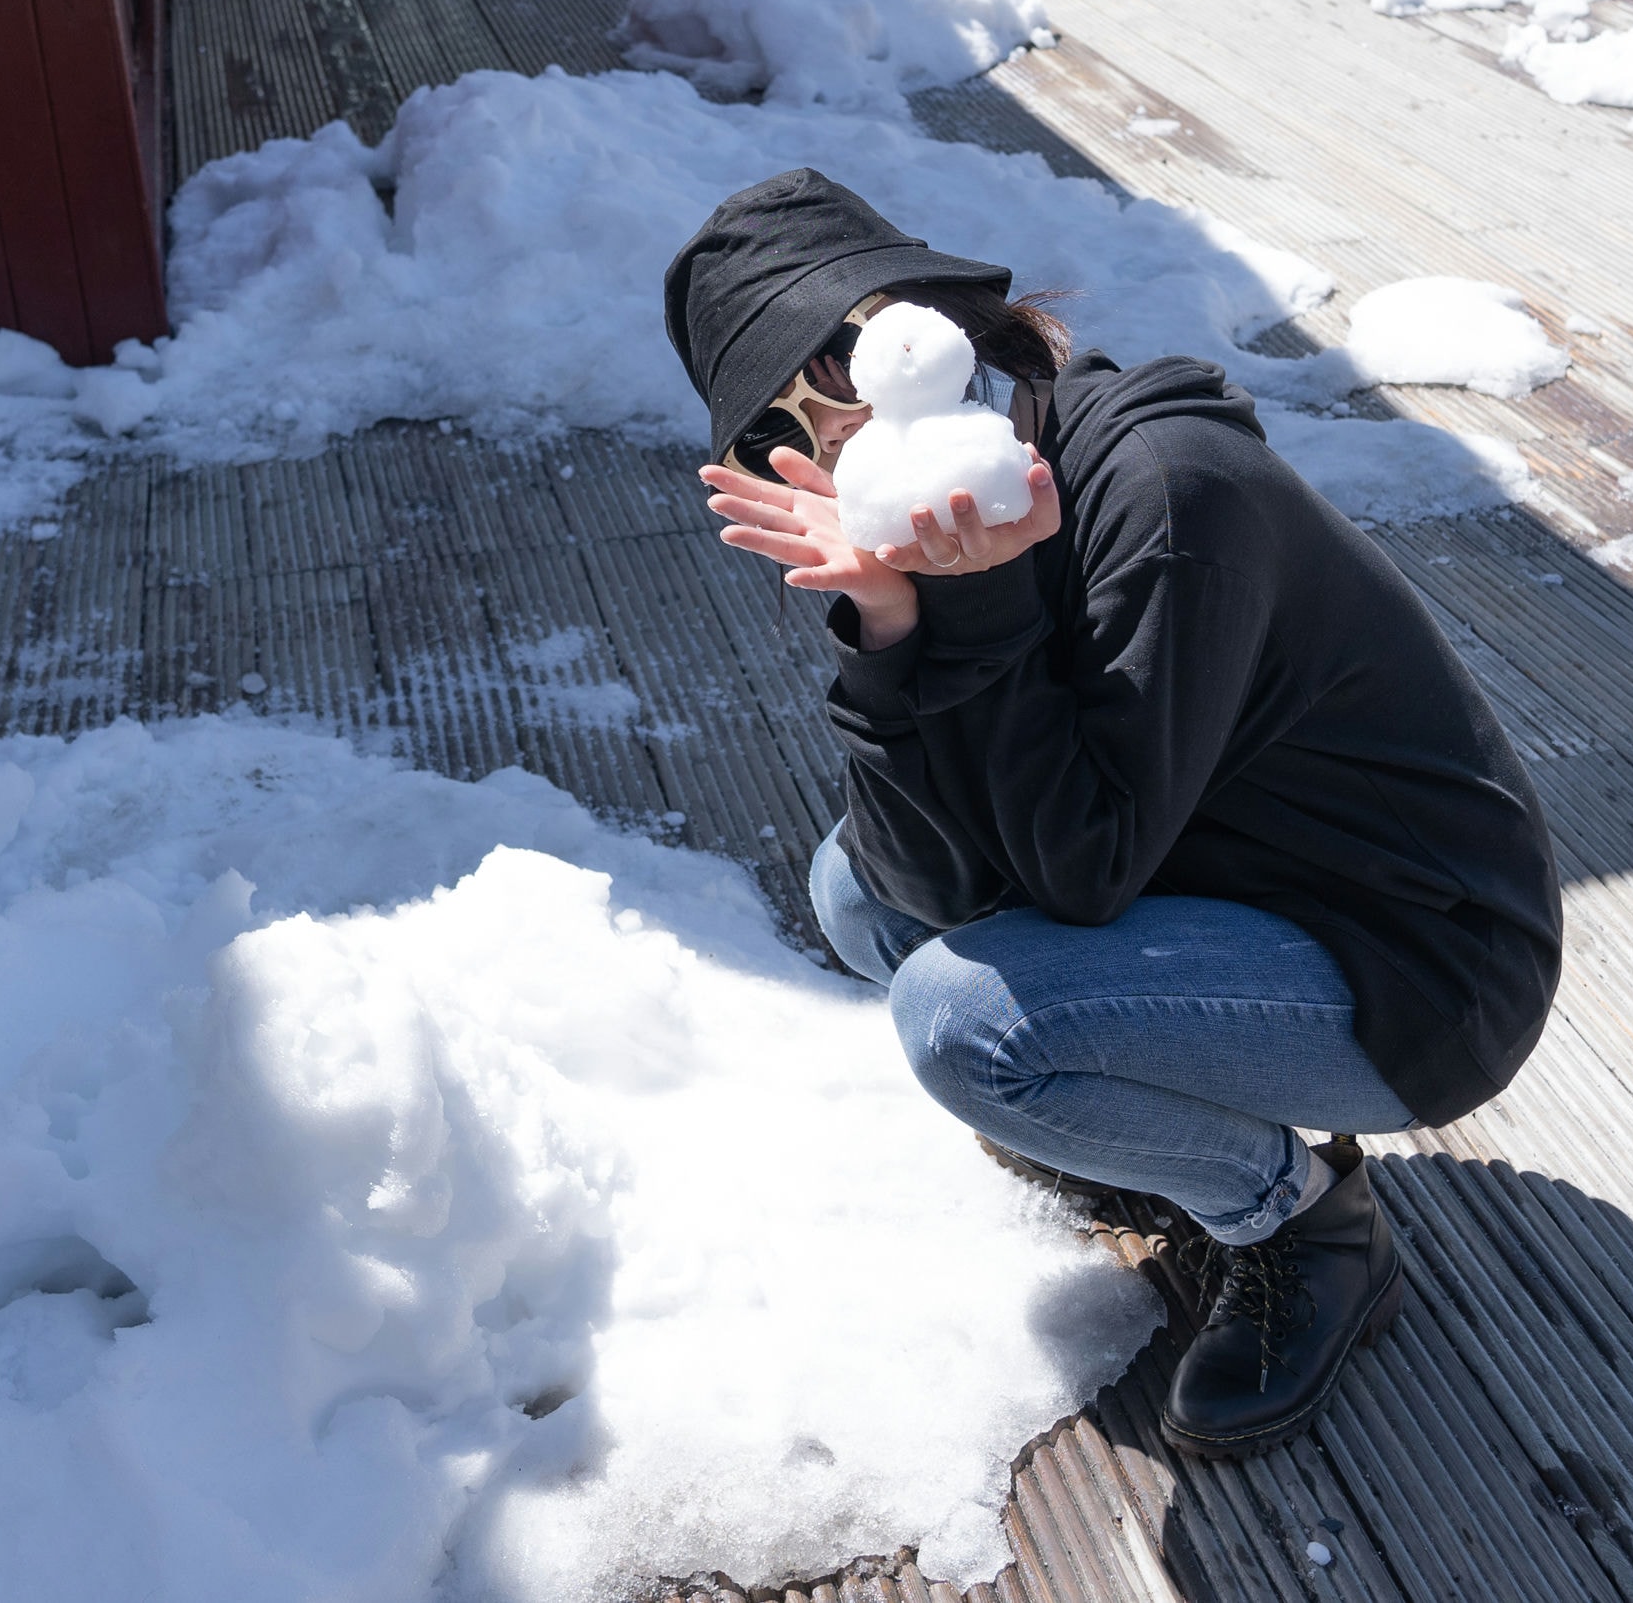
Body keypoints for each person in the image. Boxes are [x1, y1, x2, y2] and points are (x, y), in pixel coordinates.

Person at [665, 170, 1562, 1460]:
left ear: (941, 326)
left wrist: (979, 610)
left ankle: (1306, 1223)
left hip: (1416, 961)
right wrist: (892, 632)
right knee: (853, 889)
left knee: (967, 1027)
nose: (841, 429)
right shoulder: (948, 527)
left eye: (843, 362)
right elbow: (927, 879)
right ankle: (1155, 1130)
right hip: (1211, 877)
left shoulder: (1166, 490)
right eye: (782, 427)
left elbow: (1077, 873)